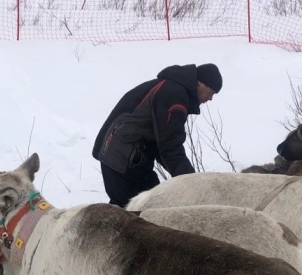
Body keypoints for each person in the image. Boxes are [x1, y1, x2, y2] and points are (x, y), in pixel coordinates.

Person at [91, 63, 222, 207]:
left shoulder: (171, 87)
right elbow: (170, 145)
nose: (211, 98)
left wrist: (186, 179)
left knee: (152, 207)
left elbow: (162, 143)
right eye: (212, 92)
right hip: (122, 156)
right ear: (200, 83)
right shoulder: (174, 95)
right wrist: (192, 183)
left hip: (129, 154)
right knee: (133, 214)